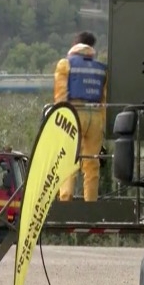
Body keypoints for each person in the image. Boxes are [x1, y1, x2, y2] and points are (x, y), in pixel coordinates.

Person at [54, 31, 109, 202]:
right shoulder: (101, 69)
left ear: (75, 45)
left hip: (73, 114)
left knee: (68, 158)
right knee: (92, 163)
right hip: (95, 116)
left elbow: (60, 95)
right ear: (91, 48)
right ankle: (91, 202)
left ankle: (66, 199)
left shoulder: (65, 64)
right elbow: (104, 100)